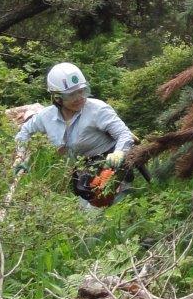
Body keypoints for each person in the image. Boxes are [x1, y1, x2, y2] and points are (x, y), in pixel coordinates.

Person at [12, 62, 136, 206]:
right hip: (83, 170)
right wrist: (20, 158)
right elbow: (24, 132)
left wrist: (119, 153)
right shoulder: (46, 117)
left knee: (106, 207)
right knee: (84, 208)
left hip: (110, 165)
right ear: (57, 98)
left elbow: (124, 134)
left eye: (82, 91)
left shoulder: (98, 109)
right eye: (71, 94)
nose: (79, 98)